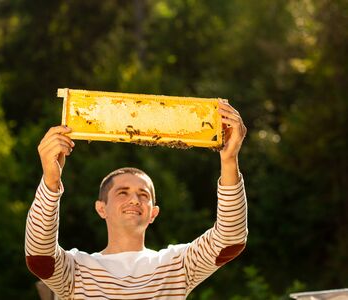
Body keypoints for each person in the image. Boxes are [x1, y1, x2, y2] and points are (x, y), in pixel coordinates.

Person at [25, 100, 248, 299]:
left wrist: (229, 161)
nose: (134, 200)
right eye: (122, 192)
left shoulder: (177, 265)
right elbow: (38, 255)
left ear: (153, 213)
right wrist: (51, 181)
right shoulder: (76, 270)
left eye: (144, 195)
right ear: (101, 208)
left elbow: (231, 239)